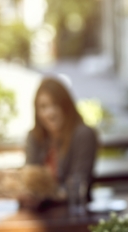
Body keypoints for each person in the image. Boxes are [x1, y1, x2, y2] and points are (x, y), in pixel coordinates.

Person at [22, 77, 98, 209]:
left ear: (66, 105)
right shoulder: (34, 136)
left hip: (73, 213)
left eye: (55, 104)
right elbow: (30, 179)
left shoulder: (83, 134)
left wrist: (43, 194)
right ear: (37, 111)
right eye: (43, 107)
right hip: (39, 215)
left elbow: (78, 184)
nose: (50, 113)